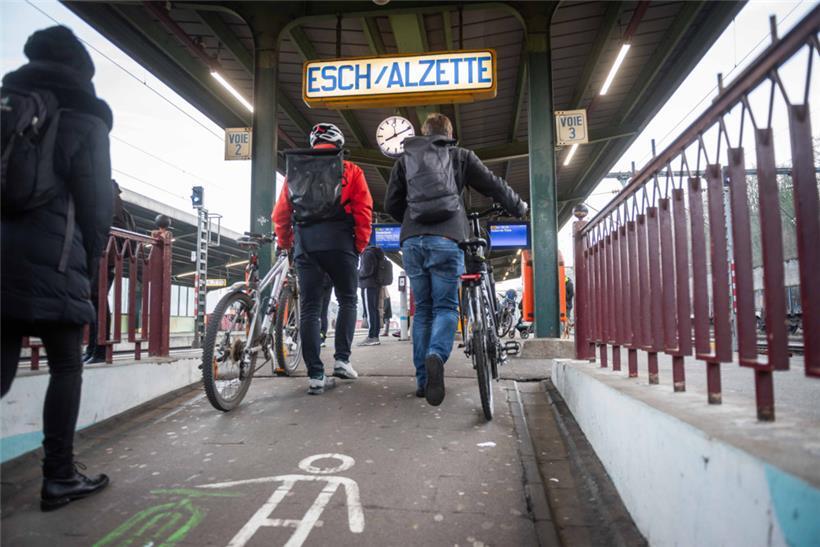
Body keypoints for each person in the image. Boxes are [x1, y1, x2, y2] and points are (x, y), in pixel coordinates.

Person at [1, 26, 114, 510]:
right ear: (81, 71)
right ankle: (59, 477)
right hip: (56, 259)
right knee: (66, 364)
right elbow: (96, 207)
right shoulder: (85, 118)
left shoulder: (9, 105)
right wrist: (90, 266)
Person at [385, 112, 528, 405]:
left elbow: (391, 204)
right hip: (447, 238)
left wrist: (413, 221)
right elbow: (494, 185)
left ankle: (423, 381)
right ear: (450, 135)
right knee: (446, 307)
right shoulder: (460, 156)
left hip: (412, 241)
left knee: (423, 311)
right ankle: (437, 355)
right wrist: (518, 207)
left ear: (424, 133)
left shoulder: (405, 160)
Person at [273, 122, 373, 395]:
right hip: (341, 244)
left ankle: (316, 375)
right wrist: (358, 245)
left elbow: (280, 214)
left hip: (306, 246)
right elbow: (364, 211)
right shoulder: (351, 170)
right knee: (348, 300)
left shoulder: (295, 173)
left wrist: (287, 243)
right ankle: (342, 360)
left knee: (309, 309)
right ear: (339, 145)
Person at [83, 179, 136, 364]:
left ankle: (100, 350)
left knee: (97, 299)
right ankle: (92, 349)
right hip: (99, 255)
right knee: (93, 300)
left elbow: (109, 221)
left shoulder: (107, 190)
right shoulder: (102, 190)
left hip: (105, 255)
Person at [357, 245, 384, 346]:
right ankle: (375, 336)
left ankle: (371, 336)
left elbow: (366, 271)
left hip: (368, 285)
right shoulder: (375, 253)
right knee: (374, 310)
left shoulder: (367, 253)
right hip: (375, 285)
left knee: (369, 311)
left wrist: (356, 273)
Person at [319, 273, 333, 347]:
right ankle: (321, 339)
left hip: (316, 279)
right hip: (328, 281)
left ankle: (318, 338)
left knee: (312, 312)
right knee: (323, 314)